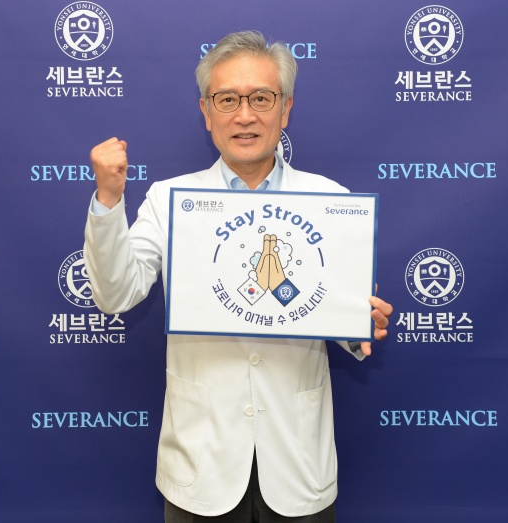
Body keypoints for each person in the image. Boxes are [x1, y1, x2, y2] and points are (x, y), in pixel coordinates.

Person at [84, 30, 392, 522]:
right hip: (200, 466)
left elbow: (332, 310)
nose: (244, 115)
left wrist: (359, 326)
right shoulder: (170, 200)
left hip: (298, 464)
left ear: (285, 109)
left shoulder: (331, 201)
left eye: (261, 99)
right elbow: (116, 294)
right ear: (206, 112)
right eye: (227, 99)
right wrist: (108, 199)